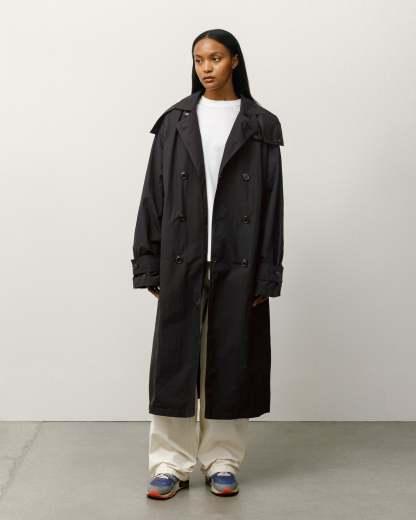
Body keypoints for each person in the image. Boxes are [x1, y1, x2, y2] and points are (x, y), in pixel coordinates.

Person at [131, 28, 284, 499]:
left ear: (234, 60)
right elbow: (154, 194)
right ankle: (169, 463)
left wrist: (267, 272)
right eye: (199, 60)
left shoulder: (260, 124)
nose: (206, 68)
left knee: (231, 360)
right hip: (183, 256)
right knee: (176, 362)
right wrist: (149, 262)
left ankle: (222, 460)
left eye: (215, 58)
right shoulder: (176, 120)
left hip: (238, 259)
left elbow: (272, 204)